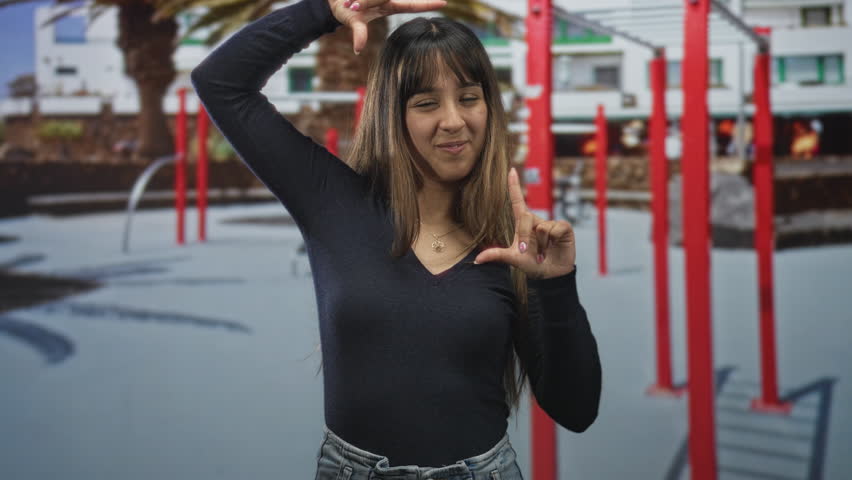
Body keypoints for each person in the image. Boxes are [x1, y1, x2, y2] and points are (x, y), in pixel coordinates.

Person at [191, 0, 601, 478]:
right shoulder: (334, 202)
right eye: (427, 103)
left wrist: (556, 286)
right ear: (394, 114)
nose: (453, 120)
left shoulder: (516, 245)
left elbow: (576, 411)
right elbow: (221, 83)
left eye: (468, 98)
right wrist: (325, 10)